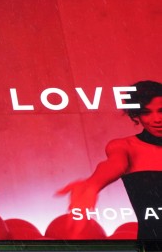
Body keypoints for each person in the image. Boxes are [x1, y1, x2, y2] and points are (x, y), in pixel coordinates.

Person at [58, 80, 162, 238]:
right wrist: (92, 185)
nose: (156, 119)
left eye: (161, 111)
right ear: (136, 115)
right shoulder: (126, 146)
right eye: (146, 113)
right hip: (153, 248)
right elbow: (114, 164)